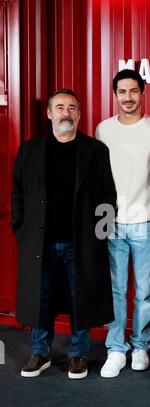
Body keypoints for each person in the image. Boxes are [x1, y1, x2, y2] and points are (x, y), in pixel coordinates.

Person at [12, 89, 117, 379]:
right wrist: (21, 229)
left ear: (79, 114)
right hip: (39, 241)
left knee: (79, 297)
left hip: (81, 242)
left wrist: (100, 235)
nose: (66, 113)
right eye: (60, 107)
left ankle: (78, 354)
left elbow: (108, 195)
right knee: (40, 296)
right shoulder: (29, 150)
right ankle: (40, 352)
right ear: (49, 113)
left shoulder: (96, 151)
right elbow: (18, 193)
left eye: (71, 107)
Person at [95, 69, 150, 378]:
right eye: (122, 91)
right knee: (113, 289)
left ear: (142, 93)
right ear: (115, 95)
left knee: (144, 291)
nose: (128, 97)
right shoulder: (103, 129)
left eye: (133, 91)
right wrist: (100, 217)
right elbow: (99, 177)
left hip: (146, 220)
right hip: (109, 219)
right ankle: (115, 348)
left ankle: (140, 345)